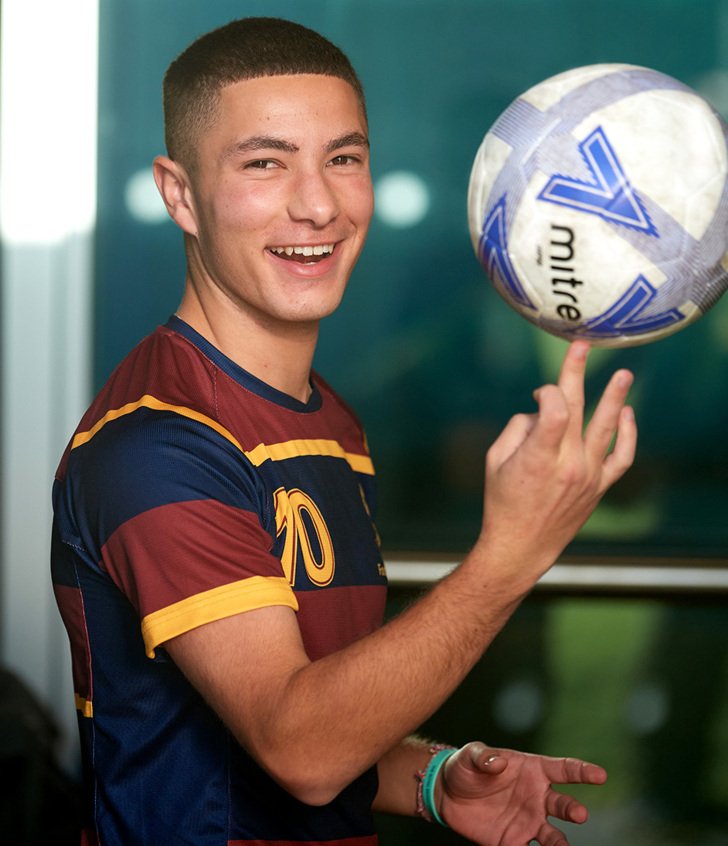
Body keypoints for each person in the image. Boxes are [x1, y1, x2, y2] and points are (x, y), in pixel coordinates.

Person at [50, 16, 637, 846]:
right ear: (179, 193)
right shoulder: (156, 445)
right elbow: (301, 747)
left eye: (344, 159)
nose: (319, 203)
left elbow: (306, 720)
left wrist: (431, 779)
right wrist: (514, 552)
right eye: (265, 163)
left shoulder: (326, 417)